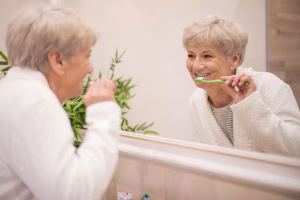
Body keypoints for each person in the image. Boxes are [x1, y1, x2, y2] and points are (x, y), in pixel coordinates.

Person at [0, 4, 121, 200]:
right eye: (87, 56)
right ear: (58, 61)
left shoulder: (11, 92)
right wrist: (103, 112)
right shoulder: (34, 102)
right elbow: (73, 194)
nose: (90, 69)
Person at [183, 15, 300, 157]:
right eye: (191, 55)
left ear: (234, 59)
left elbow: (296, 149)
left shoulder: (269, 85)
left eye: (207, 56)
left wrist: (250, 105)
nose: (196, 66)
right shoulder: (196, 101)